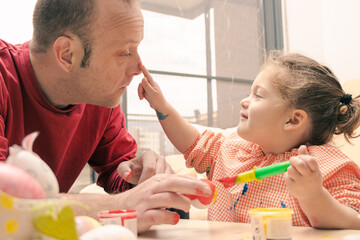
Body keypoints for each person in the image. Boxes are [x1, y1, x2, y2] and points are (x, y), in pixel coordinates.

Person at [0, 0, 212, 233]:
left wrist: (139, 179)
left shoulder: (99, 99)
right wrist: (120, 206)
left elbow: (116, 171)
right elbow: (5, 204)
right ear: (67, 55)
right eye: (125, 52)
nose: (138, 68)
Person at [137, 51, 360, 229]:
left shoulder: (326, 166)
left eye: (258, 95)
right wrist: (160, 105)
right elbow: (192, 142)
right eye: (250, 92)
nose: (245, 101)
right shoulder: (232, 147)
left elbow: (353, 221)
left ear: (292, 120)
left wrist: (313, 195)